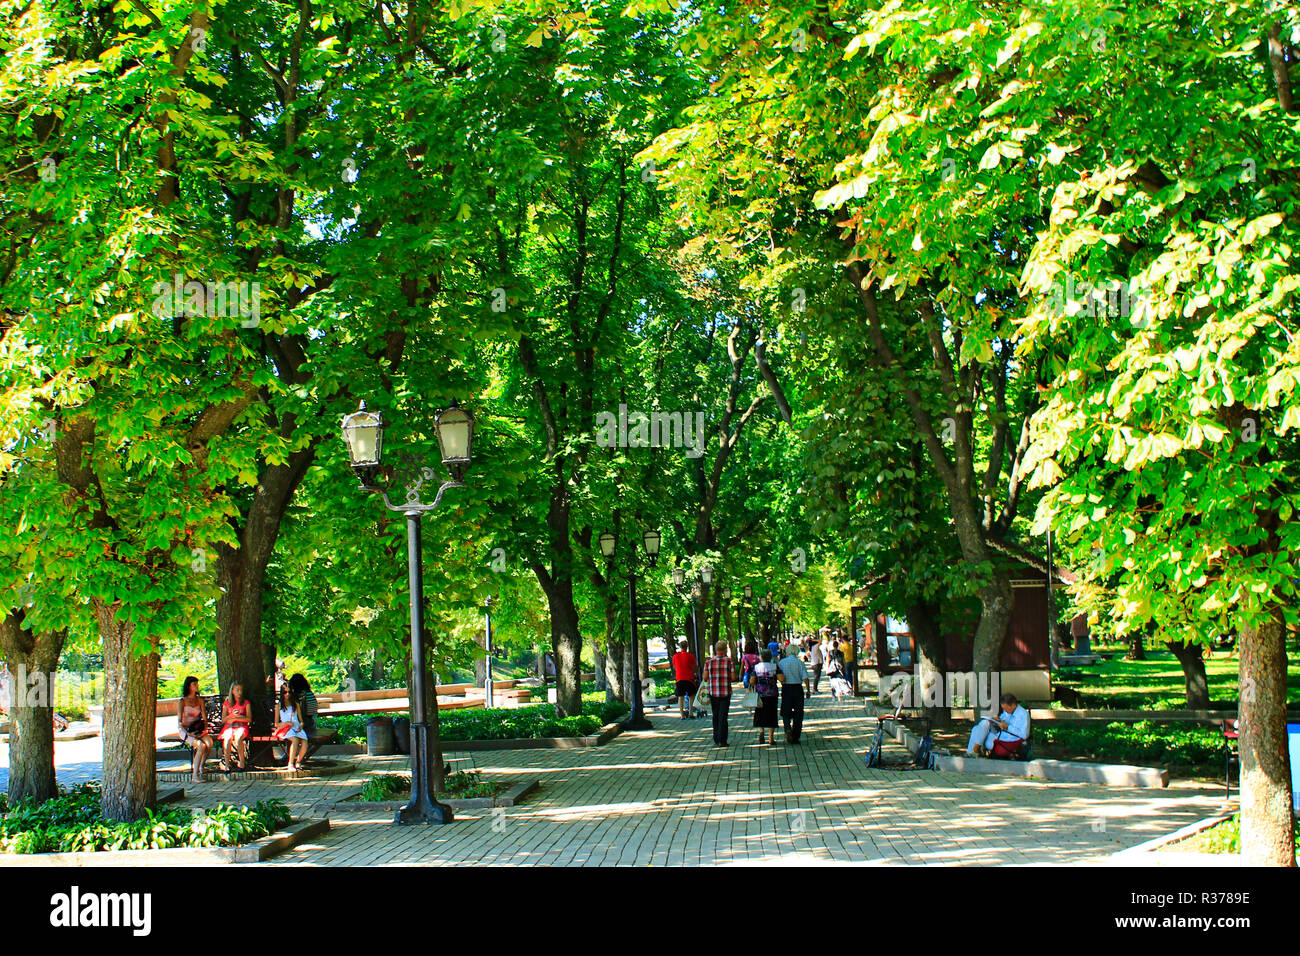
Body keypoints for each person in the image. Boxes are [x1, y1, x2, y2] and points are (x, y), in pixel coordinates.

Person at [965, 693, 1030, 758]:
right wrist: (998, 719)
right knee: (983, 723)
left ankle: (973, 752)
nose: (1005, 711)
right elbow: (1003, 718)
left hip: (1007, 742)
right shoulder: (1009, 711)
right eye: (1003, 709)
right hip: (1000, 736)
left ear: (1013, 705)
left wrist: (1008, 726)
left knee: (976, 730)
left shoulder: (1023, 715)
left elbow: (1024, 735)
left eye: (1006, 709)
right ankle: (975, 751)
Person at [178, 675, 214, 783]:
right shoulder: (182, 701)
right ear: (188, 686)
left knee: (209, 742)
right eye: (194, 684)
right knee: (201, 745)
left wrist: (205, 730)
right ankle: (195, 775)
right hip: (185, 730)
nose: (197, 686)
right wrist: (189, 734)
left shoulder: (199, 700)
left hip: (198, 728)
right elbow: (179, 722)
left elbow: (204, 717)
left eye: (197, 684)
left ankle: (201, 765)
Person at [700, 641, 733, 747]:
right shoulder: (729, 661)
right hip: (725, 692)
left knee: (715, 715)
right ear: (724, 650)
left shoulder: (709, 662)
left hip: (713, 692)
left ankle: (716, 738)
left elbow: (704, 677)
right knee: (723, 716)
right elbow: (733, 677)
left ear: (715, 650)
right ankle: (722, 740)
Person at [777, 644, 810, 743]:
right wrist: (808, 689)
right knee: (798, 712)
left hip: (786, 688)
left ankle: (787, 729)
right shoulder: (800, 662)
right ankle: (796, 734)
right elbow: (805, 677)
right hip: (797, 688)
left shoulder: (782, 662)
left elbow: (779, 676)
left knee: (786, 711)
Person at [219, 682, 252, 771]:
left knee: (238, 738)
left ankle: (242, 762)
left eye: (241, 690)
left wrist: (237, 718)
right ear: (232, 691)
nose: (239, 692)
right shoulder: (227, 703)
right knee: (227, 738)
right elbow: (223, 720)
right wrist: (231, 716)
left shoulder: (246, 703)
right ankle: (227, 763)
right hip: (229, 726)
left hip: (241, 726)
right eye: (237, 690)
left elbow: (249, 719)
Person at [276, 687, 310, 771]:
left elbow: (301, 720)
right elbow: (276, 724)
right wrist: (286, 723)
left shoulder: (295, 704)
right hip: (286, 728)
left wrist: (301, 726)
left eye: (289, 692)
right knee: (295, 740)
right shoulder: (278, 705)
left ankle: (298, 761)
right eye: (285, 692)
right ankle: (290, 763)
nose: (287, 694)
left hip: (296, 726)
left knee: (305, 743)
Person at [752, 650, 780, 745]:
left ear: (761, 657)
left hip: (760, 693)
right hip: (772, 694)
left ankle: (761, 732)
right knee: (772, 714)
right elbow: (781, 678)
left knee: (760, 713)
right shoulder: (775, 666)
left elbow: (752, 681)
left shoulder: (756, 667)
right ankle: (771, 738)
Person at [671, 641, 699, 720]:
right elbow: (694, 667)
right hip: (689, 678)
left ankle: (682, 715)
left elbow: (674, 667)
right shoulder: (690, 656)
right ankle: (690, 712)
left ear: (680, 647)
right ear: (687, 647)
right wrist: (695, 673)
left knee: (681, 697)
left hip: (679, 678)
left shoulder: (675, 656)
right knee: (691, 695)